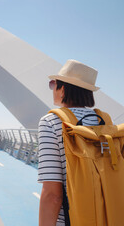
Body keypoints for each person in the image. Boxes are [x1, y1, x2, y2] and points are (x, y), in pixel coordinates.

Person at [38, 59, 100, 226]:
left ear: (63, 88)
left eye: (53, 84)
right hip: (108, 215)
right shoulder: (105, 122)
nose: (52, 89)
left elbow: (53, 195)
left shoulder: (52, 122)